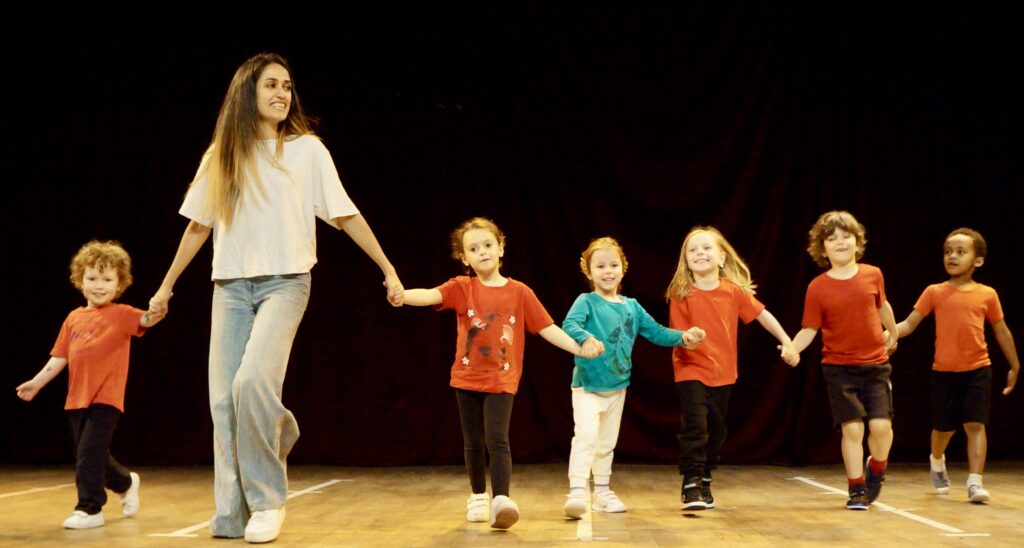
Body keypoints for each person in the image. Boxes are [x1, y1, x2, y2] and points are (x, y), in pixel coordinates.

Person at [147, 53, 403, 543]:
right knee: (223, 401)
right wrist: (166, 286)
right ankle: (232, 513)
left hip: (286, 283)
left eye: (287, 86)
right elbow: (199, 225)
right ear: (248, 92)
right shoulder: (221, 154)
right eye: (271, 85)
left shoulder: (307, 151)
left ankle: (268, 498)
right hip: (229, 287)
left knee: (251, 383)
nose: (282, 94)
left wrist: (387, 268)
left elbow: (345, 214)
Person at [397, 217, 599, 529]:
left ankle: (501, 499)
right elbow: (431, 294)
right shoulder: (463, 287)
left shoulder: (519, 292)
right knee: (473, 441)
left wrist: (578, 347)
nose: (482, 252)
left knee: (497, 438)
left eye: (488, 245)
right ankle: (478, 495)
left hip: (502, 379)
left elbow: (547, 328)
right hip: (466, 378)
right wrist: (403, 295)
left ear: (501, 247)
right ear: (464, 258)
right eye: (473, 249)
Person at [16, 240, 164, 529]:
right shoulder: (73, 318)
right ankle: (125, 482)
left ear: (119, 283)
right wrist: (37, 382)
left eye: (107, 279)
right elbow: (59, 357)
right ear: (80, 280)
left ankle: (90, 508)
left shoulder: (121, 314)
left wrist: (157, 309)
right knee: (92, 455)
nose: (99, 285)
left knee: (87, 456)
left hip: (106, 399)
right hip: (76, 399)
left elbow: (146, 319)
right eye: (92, 278)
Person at [561, 237, 704, 518]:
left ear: (623, 268)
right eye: (600, 266)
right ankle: (578, 490)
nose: (608, 271)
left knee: (606, 443)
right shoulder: (586, 301)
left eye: (613, 264)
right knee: (586, 437)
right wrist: (586, 338)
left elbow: (656, 331)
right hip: (588, 385)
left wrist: (684, 337)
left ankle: (601, 491)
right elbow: (570, 324)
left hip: (617, 386)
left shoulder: (632, 306)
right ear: (589, 271)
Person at [666, 227, 798, 510]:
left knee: (716, 429)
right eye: (693, 250)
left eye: (706, 248)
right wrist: (688, 338)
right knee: (695, 424)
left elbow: (763, 315)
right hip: (691, 368)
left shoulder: (733, 292)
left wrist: (787, 340)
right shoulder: (681, 294)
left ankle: (705, 474)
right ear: (685, 260)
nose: (700, 253)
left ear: (722, 257)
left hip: (723, 372)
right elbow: (677, 333)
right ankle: (690, 481)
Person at [893, 228, 1019, 503]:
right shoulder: (934, 292)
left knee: (975, 424)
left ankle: (975, 482)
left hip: (977, 369)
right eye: (948, 251)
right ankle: (937, 459)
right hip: (944, 372)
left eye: (961, 252)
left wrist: (1015, 365)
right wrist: (889, 333)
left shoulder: (988, 294)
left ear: (978, 260)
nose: (952, 256)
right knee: (944, 428)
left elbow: (1002, 331)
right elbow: (909, 323)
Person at [791, 211, 898, 510]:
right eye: (832, 238)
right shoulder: (818, 287)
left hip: (876, 364)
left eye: (845, 236)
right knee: (853, 430)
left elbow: (882, 305)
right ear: (822, 248)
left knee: (880, 427)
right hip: (839, 369)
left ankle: (877, 466)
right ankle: (856, 488)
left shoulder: (872, 274)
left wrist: (892, 331)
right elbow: (809, 328)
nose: (840, 242)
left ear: (857, 241)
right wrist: (794, 349)